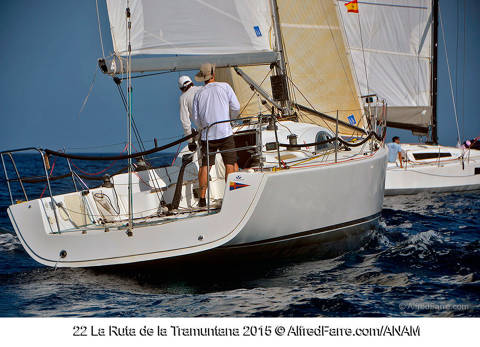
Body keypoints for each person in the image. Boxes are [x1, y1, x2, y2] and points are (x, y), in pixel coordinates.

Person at [192, 63, 240, 207]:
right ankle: (231, 197)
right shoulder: (225, 86)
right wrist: (231, 120)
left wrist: (203, 127)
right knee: (229, 164)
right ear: (213, 74)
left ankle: (202, 199)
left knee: (206, 166)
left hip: (208, 135)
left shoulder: (198, 93)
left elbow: (195, 118)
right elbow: (236, 107)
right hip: (225, 132)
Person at [178, 75, 202, 152]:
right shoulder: (202, 89)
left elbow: (185, 123)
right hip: (222, 128)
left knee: (205, 161)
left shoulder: (183, 98)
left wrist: (190, 141)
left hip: (205, 133)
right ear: (192, 83)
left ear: (181, 88)